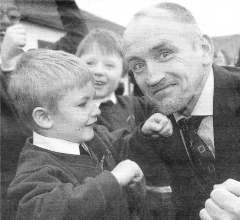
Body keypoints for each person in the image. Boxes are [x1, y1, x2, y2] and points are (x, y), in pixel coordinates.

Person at [2, 49, 173, 220]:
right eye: (83, 104)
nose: (96, 110)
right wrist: (113, 180)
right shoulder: (35, 171)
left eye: (94, 99)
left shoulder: (95, 137)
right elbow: (41, 212)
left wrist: (144, 135)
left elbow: (122, 146)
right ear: (44, 117)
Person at [122, 2, 240, 220]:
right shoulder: (154, 118)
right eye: (138, 65)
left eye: (164, 53)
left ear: (204, 50)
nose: (152, 78)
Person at [76, 28, 175, 220]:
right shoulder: (71, 114)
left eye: (109, 65)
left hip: (142, 201)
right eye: (90, 63)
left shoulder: (136, 105)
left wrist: (161, 122)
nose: (98, 71)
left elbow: (165, 109)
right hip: (100, 202)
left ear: (123, 73)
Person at [0, 0, 88, 207]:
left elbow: (77, 38)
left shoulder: (33, 63)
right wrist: (3, 58)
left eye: (12, 16)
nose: (5, 21)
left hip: (44, 178)